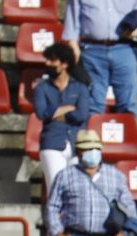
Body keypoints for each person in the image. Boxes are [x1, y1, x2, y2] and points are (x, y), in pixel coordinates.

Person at [62, 0, 137, 119]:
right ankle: (93, 137)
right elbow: (71, 19)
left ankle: (130, 137)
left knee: (128, 106)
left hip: (124, 48)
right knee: (93, 106)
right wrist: (72, 44)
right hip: (92, 50)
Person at [33, 43, 95, 198]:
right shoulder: (41, 88)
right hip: (52, 142)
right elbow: (41, 113)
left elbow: (81, 115)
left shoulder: (80, 88)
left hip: (77, 143)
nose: (47, 64)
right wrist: (68, 108)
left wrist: (55, 113)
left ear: (65, 64)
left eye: (52, 60)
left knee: (77, 189)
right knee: (56, 187)